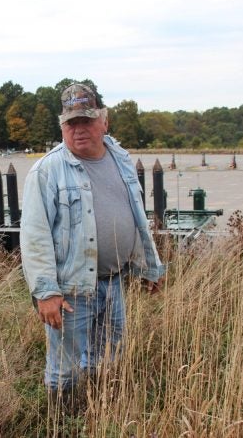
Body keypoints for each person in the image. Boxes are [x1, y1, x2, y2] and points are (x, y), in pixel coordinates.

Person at [20, 83, 166, 412]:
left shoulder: (121, 160)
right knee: (65, 369)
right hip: (71, 292)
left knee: (108, 361)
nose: (79, 129)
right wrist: (46, 292)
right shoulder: (47, 171)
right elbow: (34, 235)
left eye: (86, 120)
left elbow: (137, 216)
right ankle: (63, 423)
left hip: (113, 282)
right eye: (71, 123)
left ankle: (100, 416)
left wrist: (149, 266)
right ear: (62, 127)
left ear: (103, 120)